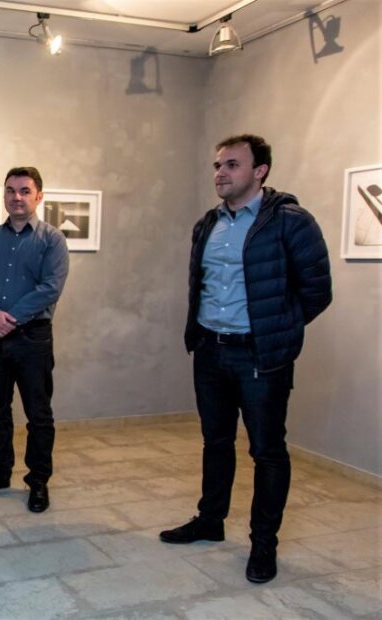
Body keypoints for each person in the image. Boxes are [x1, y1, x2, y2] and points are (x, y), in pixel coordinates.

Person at [160, 134, 332, 584]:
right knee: (215, 442)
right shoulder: (208, 224)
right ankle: (210, 521)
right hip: (211, 352)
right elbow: (203, 285)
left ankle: (263, 544)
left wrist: (277, 329)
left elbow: (317, 291)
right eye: (218, 164)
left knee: (267, 451)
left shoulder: (291, 222)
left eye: (232, 164)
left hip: (260, 356)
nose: (220, 172)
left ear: (260, 171)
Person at [0, 167, 69, 513]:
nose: (16, 197)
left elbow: (50, 287)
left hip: (32, 337)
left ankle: (38, 480)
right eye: (10, 190)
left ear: (39, 196)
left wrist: (11, 318)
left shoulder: (52, 239)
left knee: (38, 414)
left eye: (25, 190)